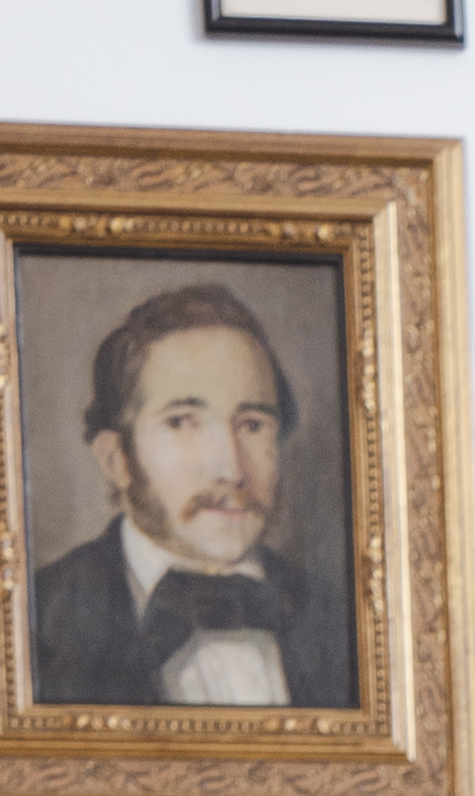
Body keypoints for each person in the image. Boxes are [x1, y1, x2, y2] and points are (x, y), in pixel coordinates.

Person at [29, 285, 353, 712]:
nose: (231, 470)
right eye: (182, 423)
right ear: (117, 459)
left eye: (253, 425)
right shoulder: (34, 622)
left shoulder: (340, 620)